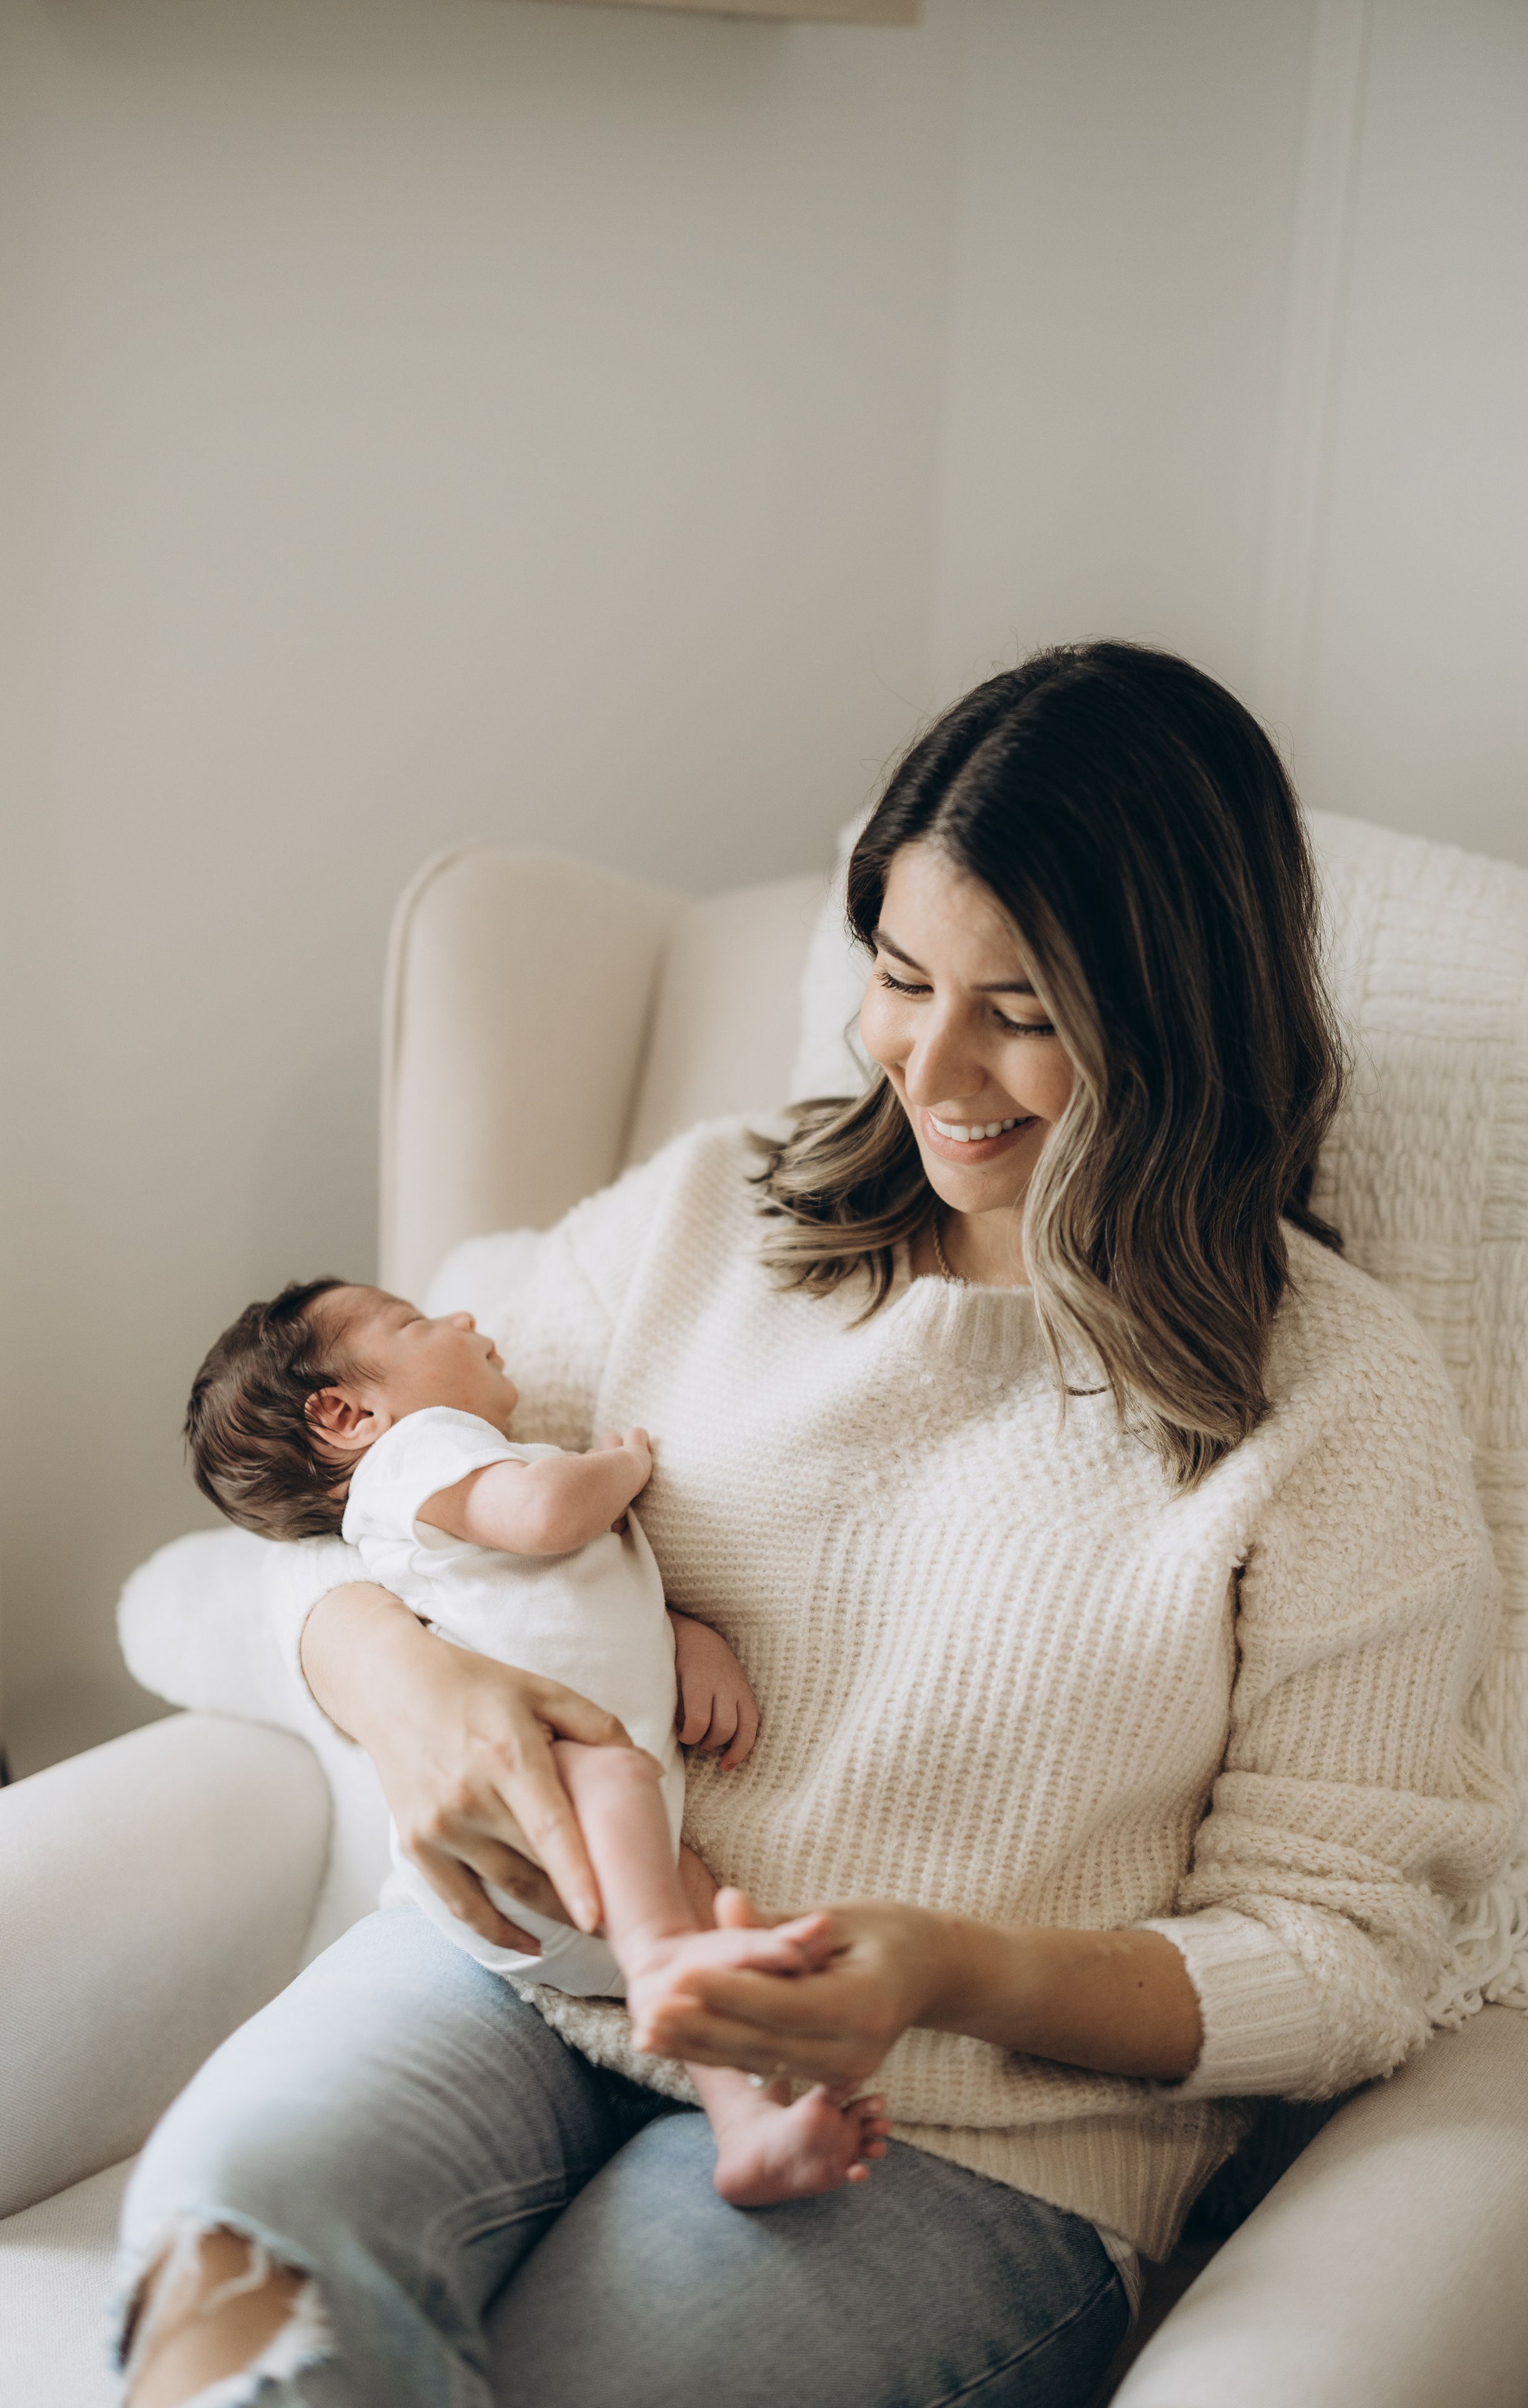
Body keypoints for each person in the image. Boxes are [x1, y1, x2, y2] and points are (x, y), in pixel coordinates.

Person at [114, 641, 1515, 2408]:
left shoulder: (1331, 1400)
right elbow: (225, 1569)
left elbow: (1349, 1962)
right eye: (901, 975)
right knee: (229, 2247)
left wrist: (951, 1969)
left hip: (967, 2138)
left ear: (1181, 1013)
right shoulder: (719, 1211)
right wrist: (392, 1677)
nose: (931, 1065)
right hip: (527, 1988)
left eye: (1019, 1010)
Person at [180, 1275, 888, 2205]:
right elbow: (550, 1518)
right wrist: (623, 1465)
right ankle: (661, 1961)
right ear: (349, 1413)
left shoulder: (446, 1495)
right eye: (417, 1322)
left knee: (695, 1897)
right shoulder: (416, 1458)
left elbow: (576, 1602)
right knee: (627, 1798)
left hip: (554, 1857)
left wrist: (686, 1638)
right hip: (541, 1806)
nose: (466, 1319)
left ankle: (746, 2121)